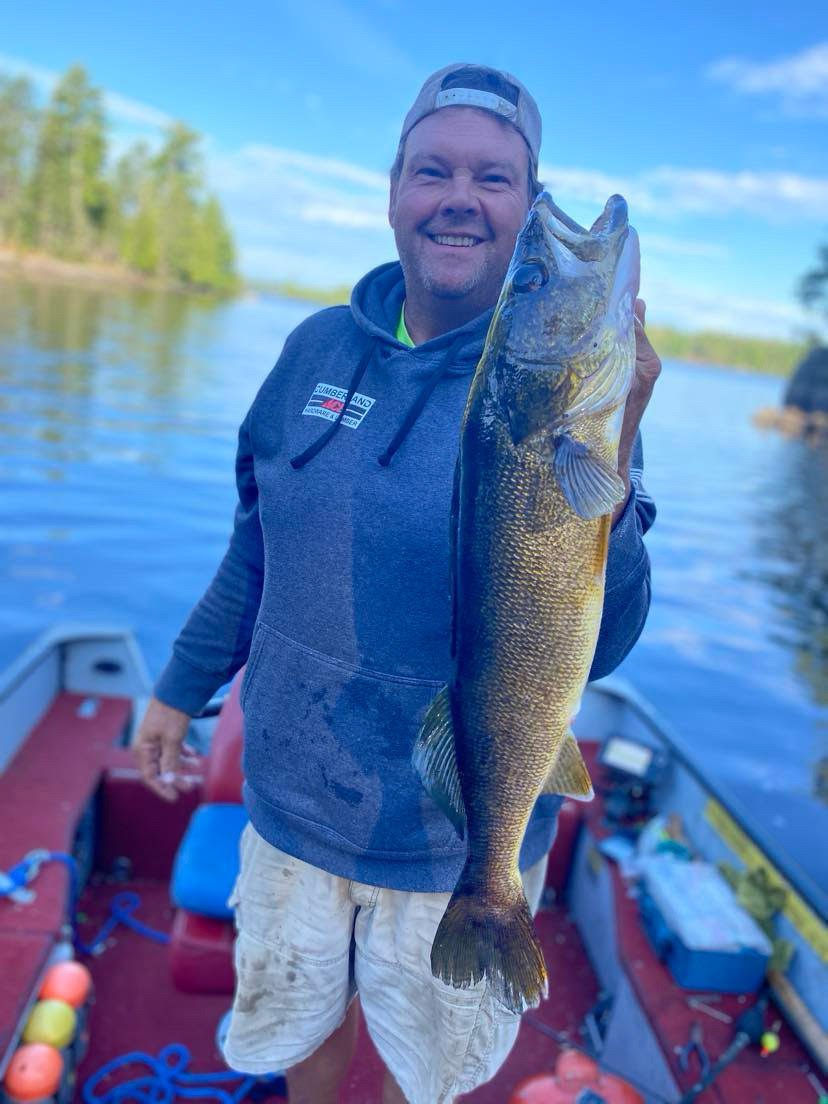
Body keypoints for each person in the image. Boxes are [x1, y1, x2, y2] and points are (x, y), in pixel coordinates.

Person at [135, 63, 661, 1104]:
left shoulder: (573, 413)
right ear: (393, 191)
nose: (460, 196)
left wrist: (623, 447)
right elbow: (256, 544)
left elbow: (603, 641)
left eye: (497, 178)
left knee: (428, 1075)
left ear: (521, 205)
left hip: (456, 833)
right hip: (291, 803)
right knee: (303, 1035)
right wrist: (177, 688)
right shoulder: (315, 347)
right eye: (434, 169)